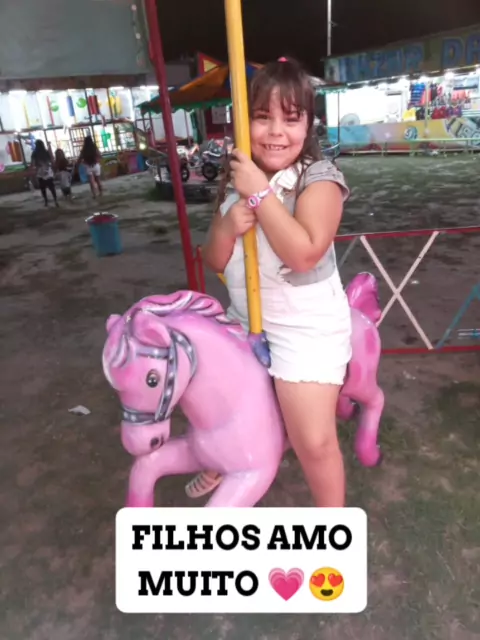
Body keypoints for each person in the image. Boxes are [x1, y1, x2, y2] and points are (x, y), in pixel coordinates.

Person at [186, 58, 352, 508]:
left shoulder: (318, 179)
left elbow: (304, 254)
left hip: (304, 330)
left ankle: (332, 526)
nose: (276, 131)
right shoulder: (238, 178)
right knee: (212, 394)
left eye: (291, 119)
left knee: (313, 442)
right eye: (262, 117)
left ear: (308, 125)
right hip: (246, 319)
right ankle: (224, 454)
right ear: (245, 122)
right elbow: (214, 259)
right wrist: (227, 226)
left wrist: (260, 194)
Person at [31, 139, 58, 207]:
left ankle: (46, 201)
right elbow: (52, 160)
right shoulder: (46, 152)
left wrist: (34, 170)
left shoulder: (34, 153)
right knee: (51, 187)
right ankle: (55, 200)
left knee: (43, 188)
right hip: (48, 171)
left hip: (40, 172)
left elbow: (33, 164)